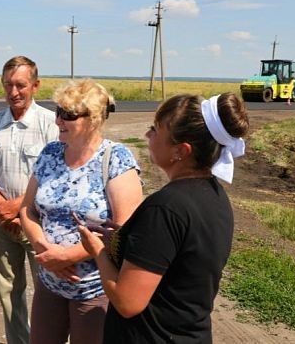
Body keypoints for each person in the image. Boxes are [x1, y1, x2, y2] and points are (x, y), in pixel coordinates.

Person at [78, 93, 249, 343]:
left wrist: (98, 252)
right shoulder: (215, 196)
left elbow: (127, 302)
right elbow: (178, 262)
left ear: (181, 151)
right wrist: (124, 241)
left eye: (155, 130)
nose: (148, 136)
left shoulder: (166, 208)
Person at [19, 79, 143, 344]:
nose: (58, 121)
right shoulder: (51, 153)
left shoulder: (116, 158)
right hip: (50, 282)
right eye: (57, 112)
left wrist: (65, 256)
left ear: (94, 119)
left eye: (68, 115)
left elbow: (122, 230)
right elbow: (27, 210)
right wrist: (45, 250)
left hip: (95, 289)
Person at [0, 56, 59, 344]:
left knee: (49, 292)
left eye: (21, 85)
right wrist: (3, 208)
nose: (14, 92)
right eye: (8, 85)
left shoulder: (51, 124)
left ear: (35, 85)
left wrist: (20, 208)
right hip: (1, 220)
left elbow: (57, 178)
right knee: (9, 291)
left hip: (41, 222)